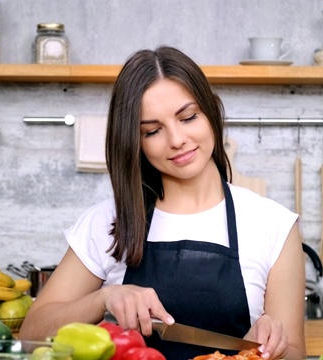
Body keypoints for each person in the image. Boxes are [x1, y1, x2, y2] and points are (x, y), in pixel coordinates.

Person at [19, 46, 306, 360]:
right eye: (153, 131)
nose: (177, 139)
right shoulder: (107, 222)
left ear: (210, 111)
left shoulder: (273, 224)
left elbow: (294, 354)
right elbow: (32, 335)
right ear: (135, 142)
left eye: (188, 117)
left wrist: (269, 347)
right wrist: (103, 298)